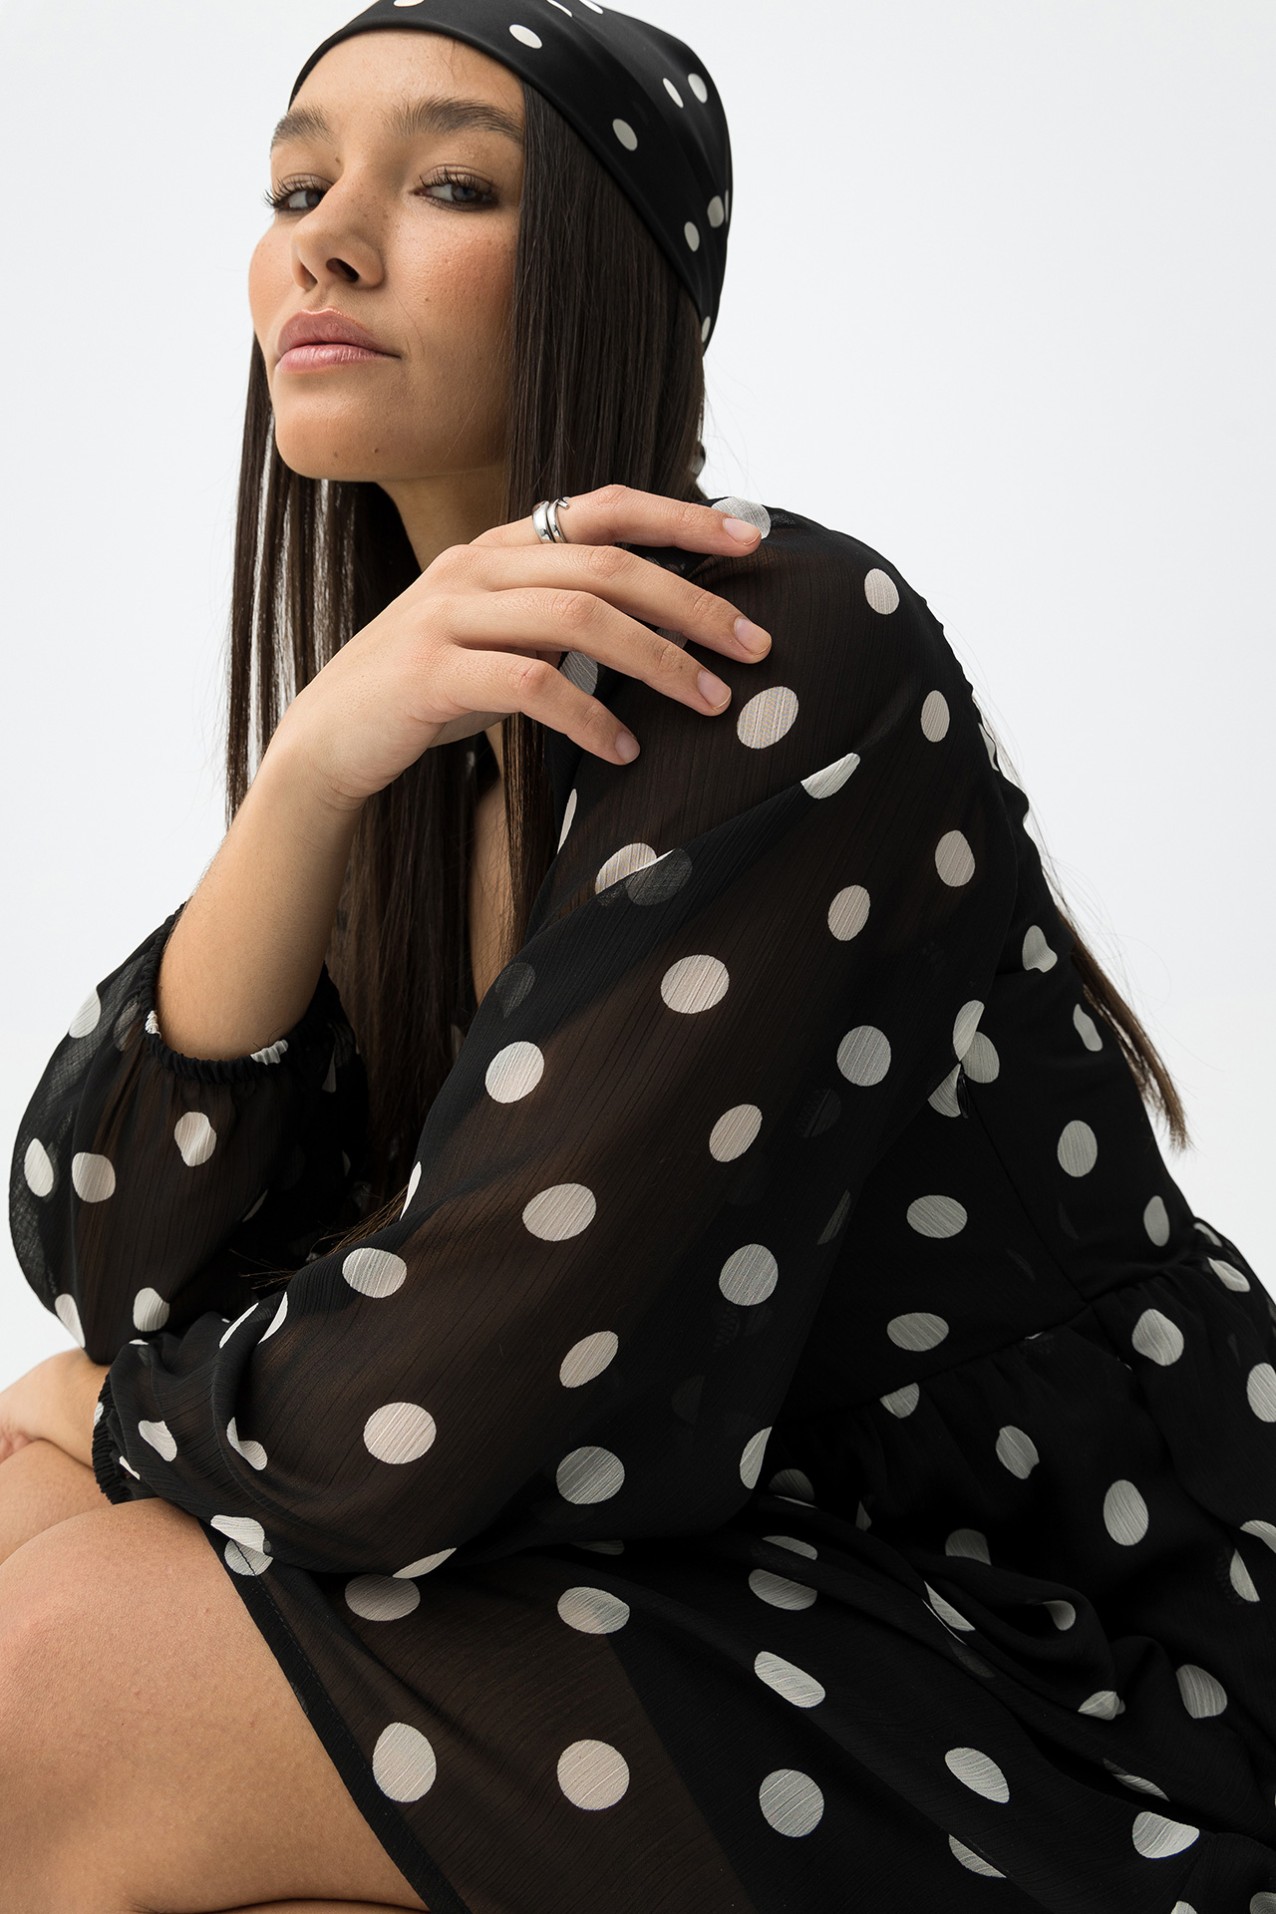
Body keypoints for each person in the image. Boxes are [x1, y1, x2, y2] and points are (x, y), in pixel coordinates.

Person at [4, 4, 1273, 1911]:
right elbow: (106, 1236)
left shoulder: (785, 658)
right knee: (31, 1538)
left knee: (58, 1671)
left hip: (1072, 1660)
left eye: (445, 183)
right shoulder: (421, 738)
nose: (325, 240)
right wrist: (308, 774)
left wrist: (115, 1413)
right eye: (292, 185)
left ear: (614, 271)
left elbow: (416, 1418)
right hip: (729, 1574)